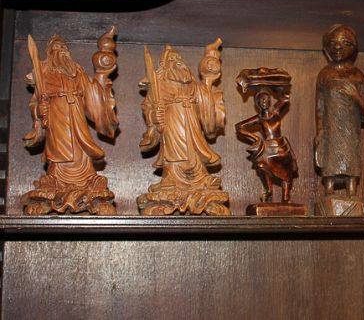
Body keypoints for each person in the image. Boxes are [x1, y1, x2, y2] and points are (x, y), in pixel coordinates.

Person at [22, 30, 118, 215]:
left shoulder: (76, 70)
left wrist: (101, 77)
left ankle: (87, 179)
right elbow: (36, 100)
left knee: (80, 147)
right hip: (56, 115)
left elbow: (91, 93)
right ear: (50, 52)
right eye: (56, 47)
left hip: (75, 113)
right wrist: (39, 111)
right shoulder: (43, 71)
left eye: (63, 46)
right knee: (59, 151)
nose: (60, 49)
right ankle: (56, 181)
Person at [138, 42, 228, 215]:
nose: (178, 61)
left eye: (179, 58)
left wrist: (208, 82)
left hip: (191, 124)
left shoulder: (193, 84)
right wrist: (154, 118)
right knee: (174, 155)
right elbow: (148, 106)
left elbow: (204, 99)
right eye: (173, 59)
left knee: (194, 153)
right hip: (172, 125)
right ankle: (171, 180)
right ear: (165, 65)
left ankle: (200, 180)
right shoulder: (159, 85)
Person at [314, 24, 364, 197]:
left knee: (351, 156)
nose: (338, 47)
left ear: (353, 48)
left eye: (345, 43)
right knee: (330, 156)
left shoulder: (358, 76)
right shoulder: (324, 74)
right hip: (331, 126)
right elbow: (319, 107)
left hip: (350, 129)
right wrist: (320, 132)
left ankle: (352, 191)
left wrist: (356, 97)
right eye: (333, 43)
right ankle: (329, 191)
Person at [236, 89, 298, 203]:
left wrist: (277, 87)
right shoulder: (259, 118)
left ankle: (285, 199)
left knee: (287, 174)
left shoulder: (276, 111)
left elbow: (285, 98)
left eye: (266, 99)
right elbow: (239, 127)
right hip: (269, 150)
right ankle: (268, 191)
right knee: (262, 167)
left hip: (282, 147)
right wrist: (255, 138)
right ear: (257, 104)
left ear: (270, 100)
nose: (263, 102)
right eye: (260, 101)